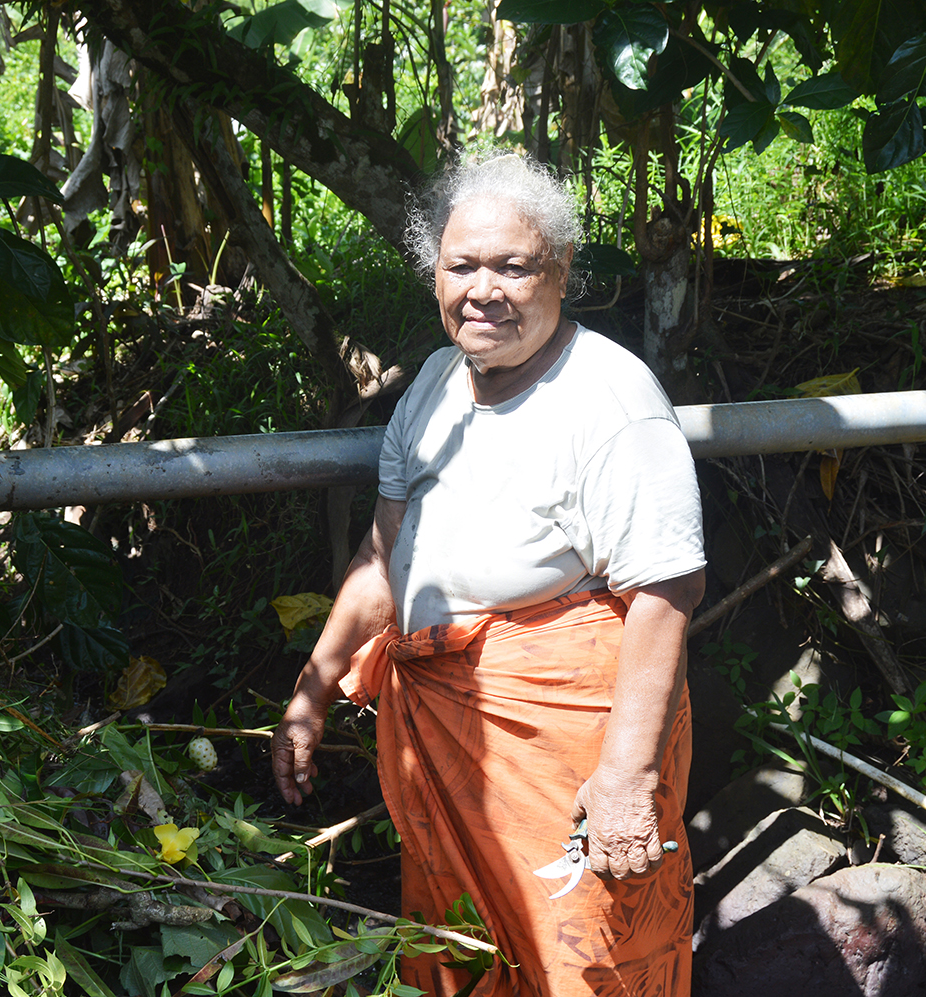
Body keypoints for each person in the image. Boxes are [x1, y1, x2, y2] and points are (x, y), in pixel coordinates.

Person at [271, 149, 706, 997]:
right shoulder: (435, 383)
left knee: (586, 957)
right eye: (462, 264)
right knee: (460, 946)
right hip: (446, 730)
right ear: (433, 270)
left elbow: (665, 591)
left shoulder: (612, 402)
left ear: (562, 272)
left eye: (514, 266)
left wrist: (624, 777)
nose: (485, 289)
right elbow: (382, 556)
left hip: (569, 739)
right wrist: (311, 692)